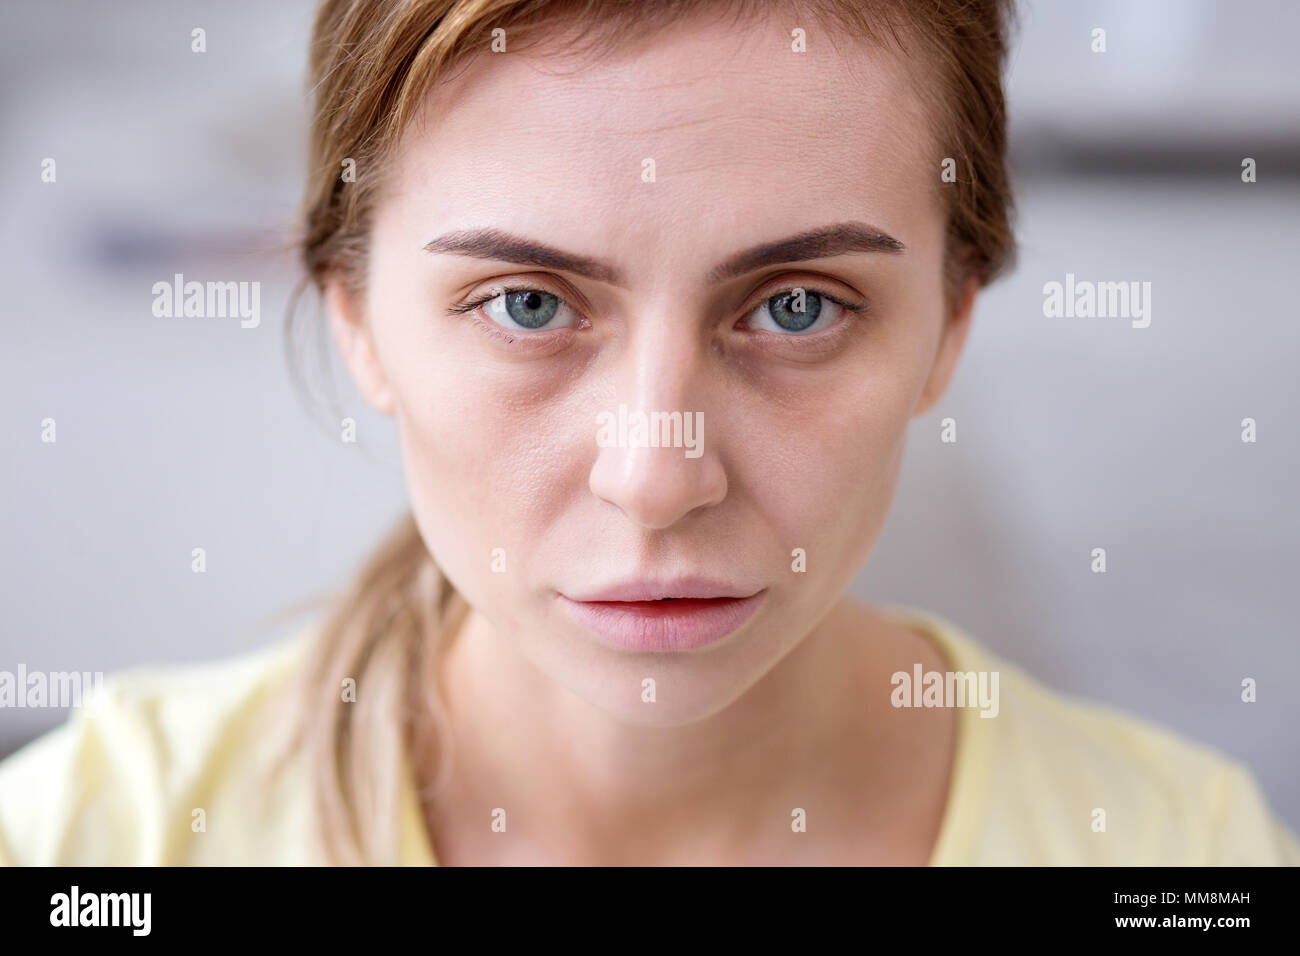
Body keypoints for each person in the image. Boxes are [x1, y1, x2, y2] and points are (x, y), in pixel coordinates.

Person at [1, 0, 1295, 866]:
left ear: (951, 322)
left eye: (797, 307)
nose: (659, 477)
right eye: (528, 304)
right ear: (356, 318)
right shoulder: (89, 843)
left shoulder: (1178, 853)